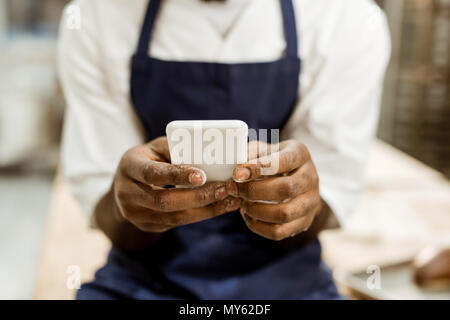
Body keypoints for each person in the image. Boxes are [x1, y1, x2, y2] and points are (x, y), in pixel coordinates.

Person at [58, 0, 391, 299]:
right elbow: (105, 204)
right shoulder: (95, 17)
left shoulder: (346, 20)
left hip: (287, 282)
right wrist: (125, 205)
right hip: (142, 282)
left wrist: (300, 201)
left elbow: (327, 198)